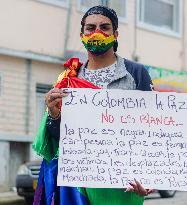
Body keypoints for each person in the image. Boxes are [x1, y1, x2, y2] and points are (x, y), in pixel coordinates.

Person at [33, 5, 154, 205]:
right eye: (90, 28)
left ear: (115, 34)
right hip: (77, 184)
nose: (96, 33)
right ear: (82, 34)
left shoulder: (136, 73)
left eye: (104, 27)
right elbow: (60, 139)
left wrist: (150, 178)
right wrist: (54, 116)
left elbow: (151, 130)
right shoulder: (68, 78)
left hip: (120, 186)